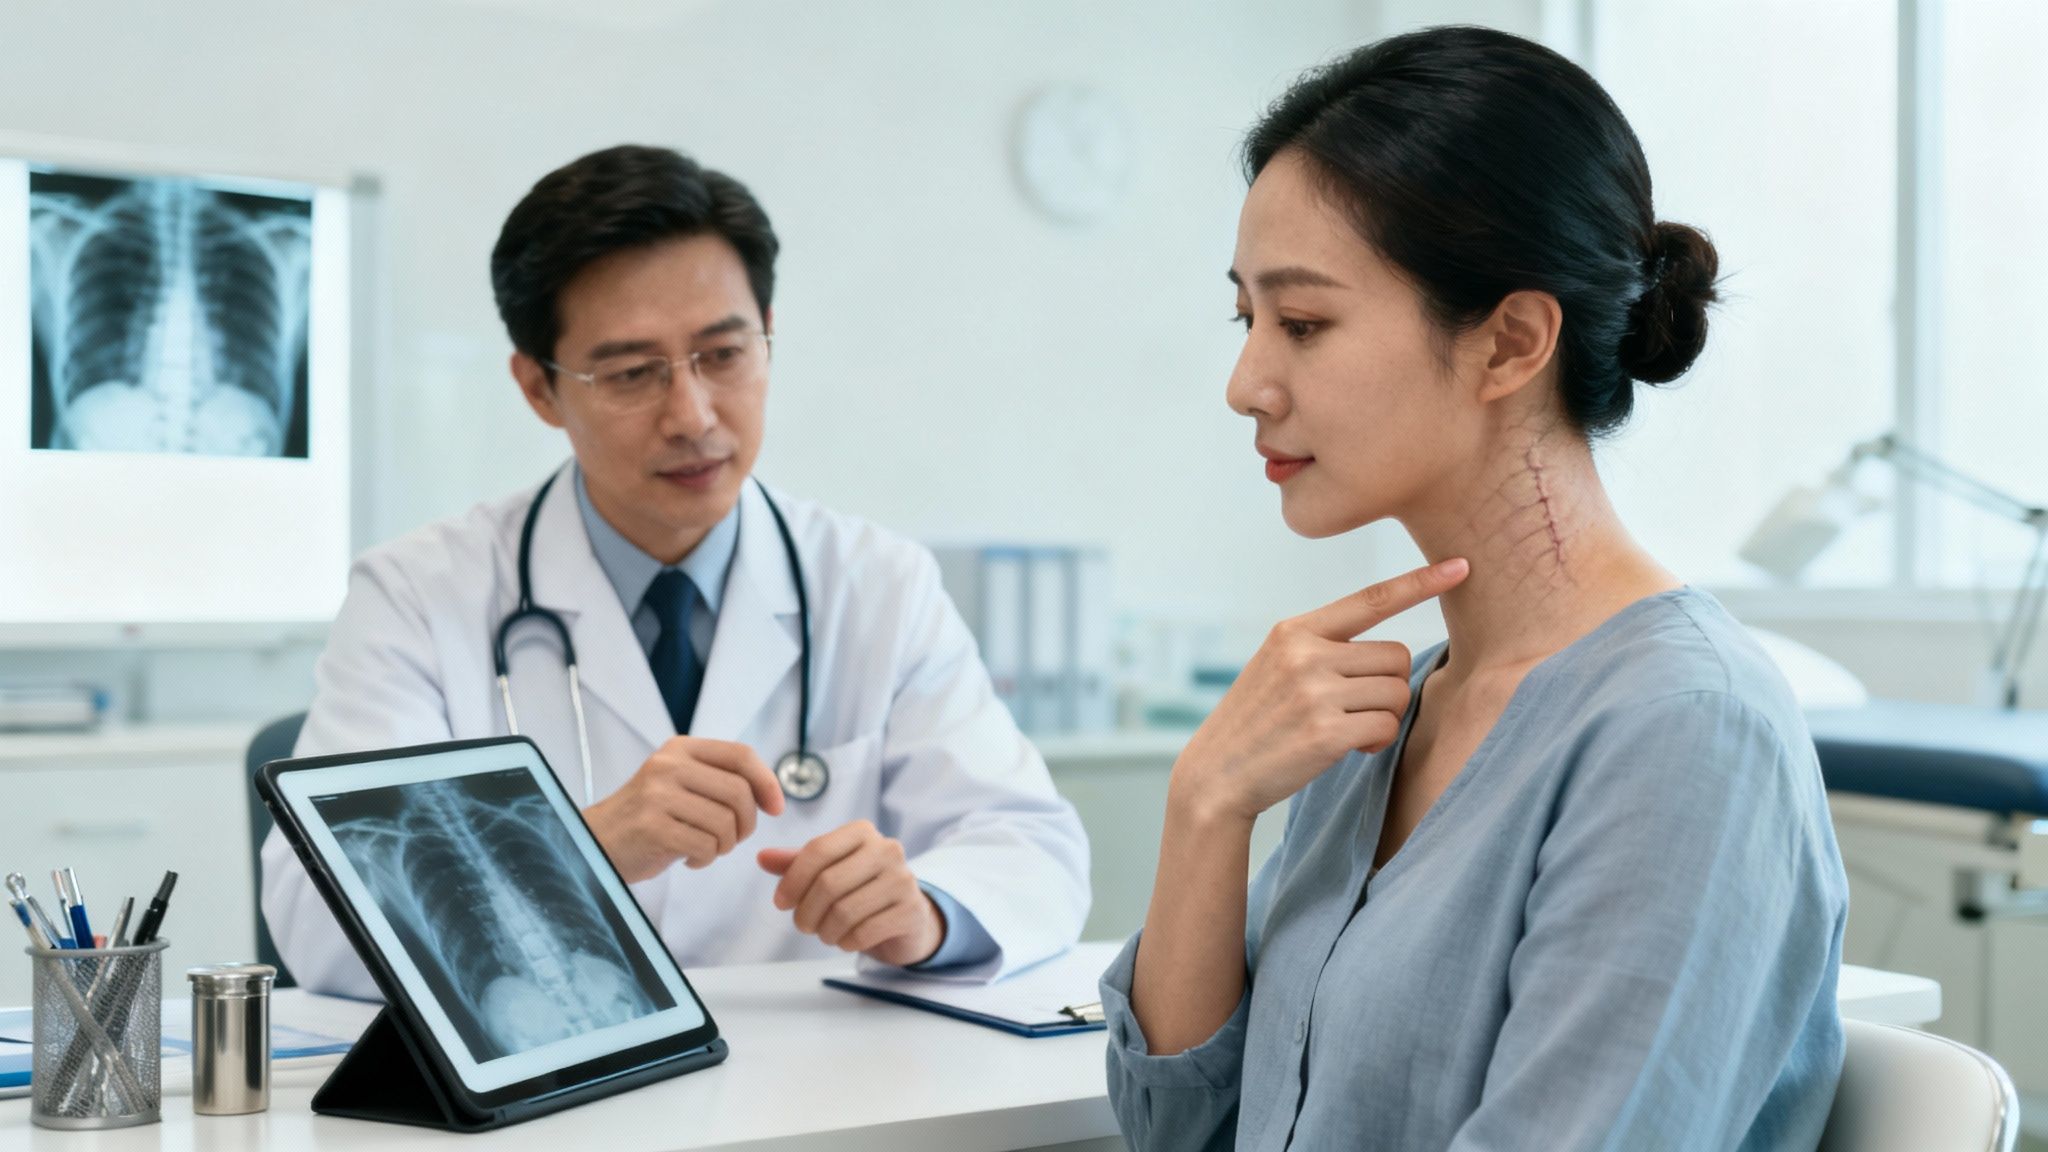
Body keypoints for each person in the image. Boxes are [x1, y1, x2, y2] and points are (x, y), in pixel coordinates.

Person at [1101, 26, 1848, 1151]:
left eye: (1300, 323)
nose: (1244, 382)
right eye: (1244, 318)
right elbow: (1180, 1131)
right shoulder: (1381, 712)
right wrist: (1204, 806)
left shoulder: (1684, 736)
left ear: (1508, 343)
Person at [262, 145, 1090, 997]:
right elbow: (314, 917)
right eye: (631, 374)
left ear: (768, 333)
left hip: (823, 1101)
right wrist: (585, 848)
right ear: (539, 388)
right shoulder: (417, 595)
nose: (693, 416)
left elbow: (1030, 847)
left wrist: (929, 912)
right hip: (543, 1099)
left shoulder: (876, 583)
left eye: (724, 356)